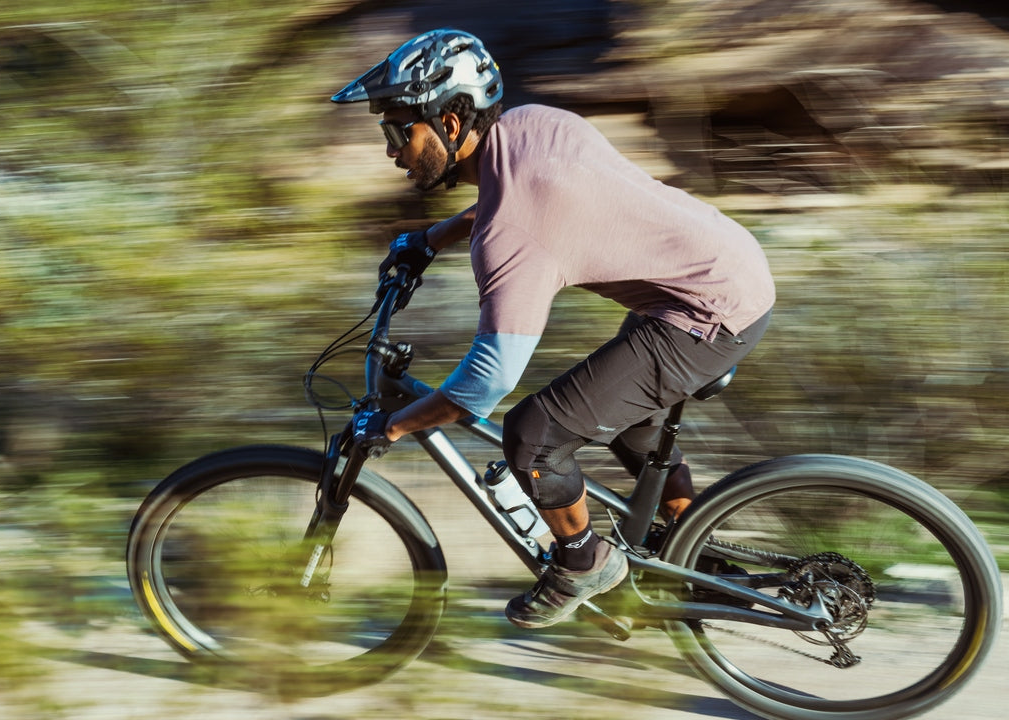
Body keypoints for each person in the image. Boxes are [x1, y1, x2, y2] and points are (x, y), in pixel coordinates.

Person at [332, 28, 775, 629]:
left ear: (452, 123)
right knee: (627, 424)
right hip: (721, 270)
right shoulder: (532, 125)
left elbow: (487, 382)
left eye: (398, 132)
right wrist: (430, 238)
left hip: (707, 312)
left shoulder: (510, 238)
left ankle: (583, 562)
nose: (391, 152)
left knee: (534, 435)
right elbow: (512, 196)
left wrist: (394, 425)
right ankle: (698, 548)